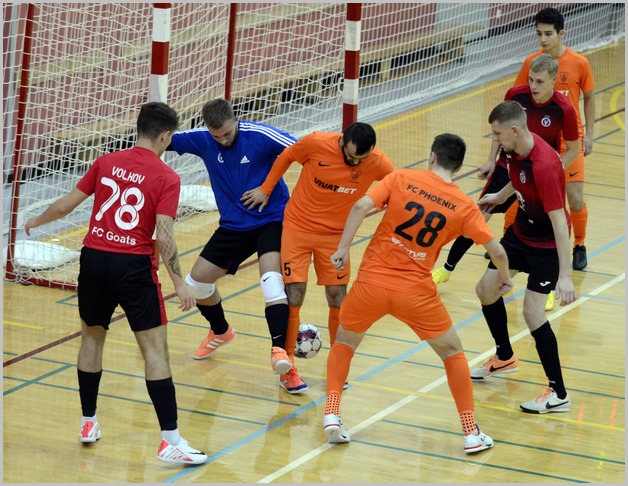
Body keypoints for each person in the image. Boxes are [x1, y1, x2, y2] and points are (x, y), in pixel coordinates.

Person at [24, 102, 208, 464]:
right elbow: (164, 234)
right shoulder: (167, 177)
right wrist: (179, 282)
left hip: (93, 259)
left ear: (138, 128)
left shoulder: (106, 162)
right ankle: (170, 441)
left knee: (91, 337)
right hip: (133, 266)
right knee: (155, 351)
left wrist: (36, 221)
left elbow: (65, 206)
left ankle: (88, 422)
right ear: (166, 136)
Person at [323, 133, 513, 453]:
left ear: (432, 157)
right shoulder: (463, 205)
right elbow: (497, 251)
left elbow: (360, 206)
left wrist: (343, 248)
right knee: (452, 352)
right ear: (458, 166)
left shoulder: (401, 178)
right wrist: (504, 278)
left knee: (344, 342)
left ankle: (331, 413)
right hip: (415, 293)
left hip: (371, 284)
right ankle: (470, 431)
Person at [241, 122, 395, 393]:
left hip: (336, 237)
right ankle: (288, 366)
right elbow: (286, 156)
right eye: (351, 157)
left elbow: (397, 186)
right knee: (294, 293)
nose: (355, 163)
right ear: (342, 142)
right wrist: (266, 188)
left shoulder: (377, 161)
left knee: (337, 297)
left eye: (361, 159)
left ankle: (337, 365)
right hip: (298, 227)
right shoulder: (316, 142)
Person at [167, 98, 304, 391]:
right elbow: (159, 139)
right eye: (216, 136)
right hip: (233, 226)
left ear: (236, 120)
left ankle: (283, 360)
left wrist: (267, 188)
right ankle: (221, 331)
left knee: (271, 282)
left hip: (271, 219)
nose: (223, 140)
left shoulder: (260, 135)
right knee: (196, 285)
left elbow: (304, 151)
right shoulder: (203, 140)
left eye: (227, 133)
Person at [432, 54, 579, 312]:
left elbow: (573, 150)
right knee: (478, 217)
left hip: (541, 174)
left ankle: (547, 287)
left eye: (540, 81)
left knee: (548, 225)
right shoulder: (516, 95)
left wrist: (551, 172)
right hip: (508, 167)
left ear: (554, 80)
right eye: (531, 79)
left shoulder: (563, 109)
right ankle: (447, 268)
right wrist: (491, 159)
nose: (533, 86)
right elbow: (498, 129)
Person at [471, 100, 576, 414]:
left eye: (497, 134)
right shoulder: (512, 149)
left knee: (533, 314)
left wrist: (565, 276)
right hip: (520, 233)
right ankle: (504, 357)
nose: (495, 139)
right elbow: (517, 177)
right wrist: (500, 196)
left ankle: (558, 393)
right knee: (485, 290)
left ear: (515, 130)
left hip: (546, 244)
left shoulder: (545, 164)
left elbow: (559, 221)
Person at [506, 7, 595, 271]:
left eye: (548, 34)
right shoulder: (531, 62)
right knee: (522, 194)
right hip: (537, 145)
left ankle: (579, 245)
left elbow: (589, 97)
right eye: (538, 34)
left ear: (561, 33)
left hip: (569, 144)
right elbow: (516, 98)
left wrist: (590, 134)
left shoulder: (579, 63)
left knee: (574, 199)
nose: (543, 39)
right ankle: (509, 243)